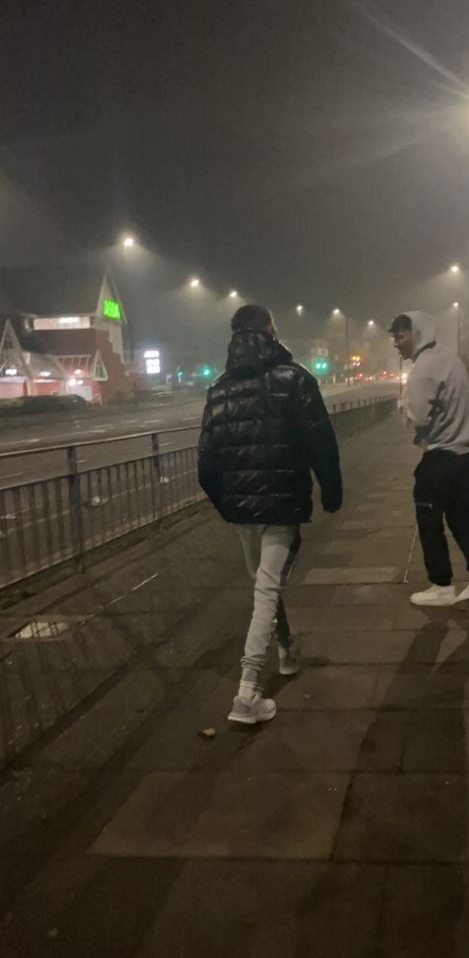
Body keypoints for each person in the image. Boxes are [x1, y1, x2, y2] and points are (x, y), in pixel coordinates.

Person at [198, 304, 342, 724]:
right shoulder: (295, 378)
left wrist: (228, 504)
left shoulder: (219, 390)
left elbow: (206, 463)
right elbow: (320, 441)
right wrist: (330, 489)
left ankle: (286, 650)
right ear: (271, 332)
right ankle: (247, 693)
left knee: (265, 584)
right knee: (267, 589)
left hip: (242, 509)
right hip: (281, 503)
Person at [388, 311, 469, 607]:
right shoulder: (448, 357)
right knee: (460, 516)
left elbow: (419, 419)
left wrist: (403, 408)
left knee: (428, 520)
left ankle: (441, 585)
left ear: (415, 334)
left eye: (400, 336)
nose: (396, 344)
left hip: (442, 457)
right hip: (468, 453)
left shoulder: (423, 368)